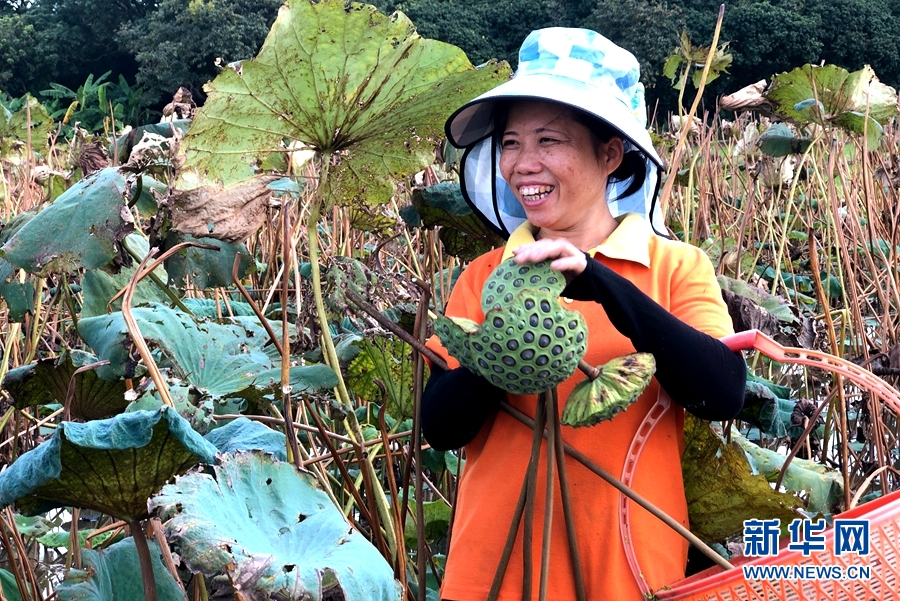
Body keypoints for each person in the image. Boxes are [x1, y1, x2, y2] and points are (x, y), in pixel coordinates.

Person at [421, 28, 747, 600]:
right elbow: (443, 428)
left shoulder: (674, 267)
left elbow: (720, 391)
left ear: (610, 153)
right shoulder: (484, 277)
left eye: (548, 141)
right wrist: (512, 344)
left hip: (626, 569)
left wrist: (598, 282)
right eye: (511, 143)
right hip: (493, 569)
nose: (524, 164)